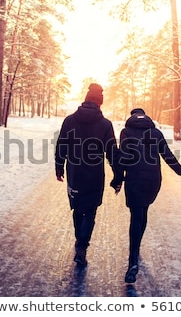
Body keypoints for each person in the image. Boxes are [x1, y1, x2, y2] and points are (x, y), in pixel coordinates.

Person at [115, 108, 181, 283]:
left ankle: (133, 260)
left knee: (136, 216)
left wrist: (118, 178)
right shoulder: (156, 132)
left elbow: (123, 158)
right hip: (153, 180)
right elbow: (167, 155)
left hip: (134, 179)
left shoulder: (126, 132)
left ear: (132, 116)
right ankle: (136, 249)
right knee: (143, 211)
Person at [55, 83, 120, 268]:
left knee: (77, 208)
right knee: (90, 211)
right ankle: (82, 245)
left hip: (74, 172)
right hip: (94, 175)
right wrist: (117, 175)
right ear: (100, 102)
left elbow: (62, 145)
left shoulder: (69, 121)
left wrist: (59, 166)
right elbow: (112, 152)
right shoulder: (105, 125)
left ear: (85, 99)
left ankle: (79, 241)